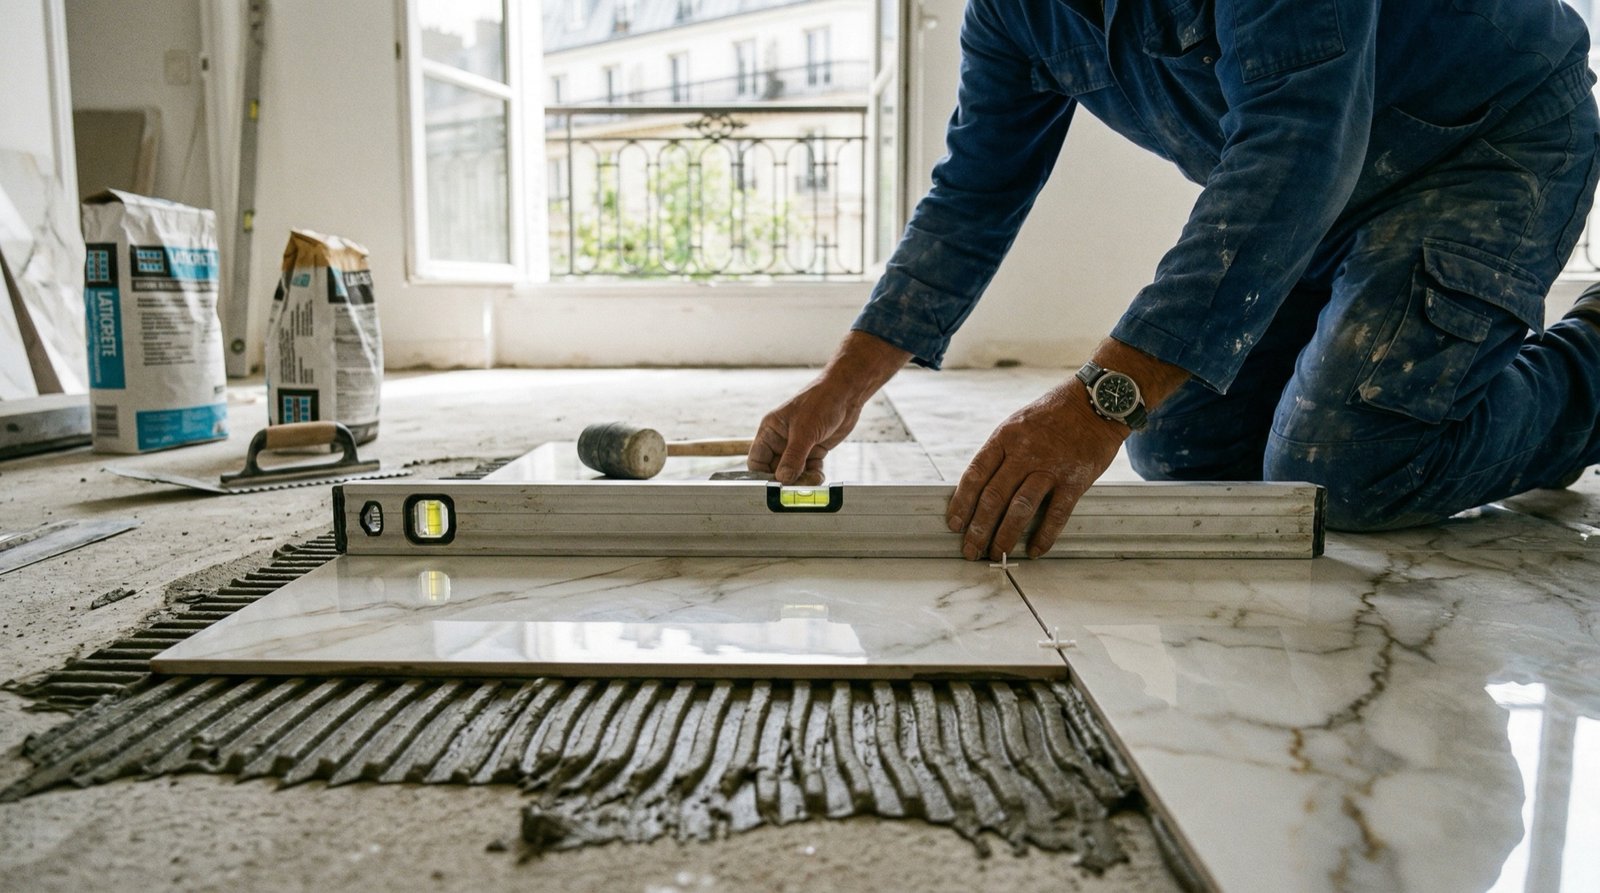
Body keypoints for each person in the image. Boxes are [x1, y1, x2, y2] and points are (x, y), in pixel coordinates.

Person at [747, 0, 1600, 560]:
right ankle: (1426, 381)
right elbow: (974, 192)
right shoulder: (1010, 13)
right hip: (1328, 189)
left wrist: (1098, 398)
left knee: (1347, 468)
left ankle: (1589, 366)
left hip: (1484, 145)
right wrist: (843, 384)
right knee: (1184, 448)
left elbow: (1296, 147)